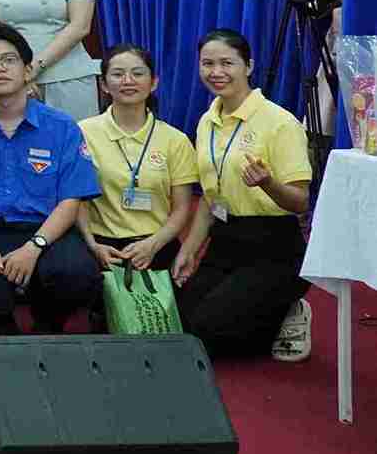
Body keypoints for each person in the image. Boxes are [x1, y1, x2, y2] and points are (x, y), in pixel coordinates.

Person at [0, 23, 101, 334]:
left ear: (27, 70)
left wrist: (35, 246)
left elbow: (71, 199)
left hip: (47, 232)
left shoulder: (62, 127)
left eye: (9, 60)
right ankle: (7, 335)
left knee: (77, 275)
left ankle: (47, 322)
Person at [174, 29, 314, 360]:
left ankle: (289, 305)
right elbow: (210, 199)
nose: (216, 72)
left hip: (273, 242)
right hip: (226, 238)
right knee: (182, 324)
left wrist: (268, 183)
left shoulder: (280, 123)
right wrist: (190, 251)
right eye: (207, 63)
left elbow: (300, 201)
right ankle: (266, 305)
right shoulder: (206, 121)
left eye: (227, 63)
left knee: (213, 331)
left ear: (248, 66)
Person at [79, 45, 197, 292]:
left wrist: (153, 245)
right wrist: (92, 245)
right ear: (104, 84)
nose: (128, 81)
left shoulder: (175, 140)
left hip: (158, 243)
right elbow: (75, 200)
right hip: (101, 245)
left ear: (153, 82)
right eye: (118, 74)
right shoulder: (82, 133)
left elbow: (182, 208)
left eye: (138, 73)